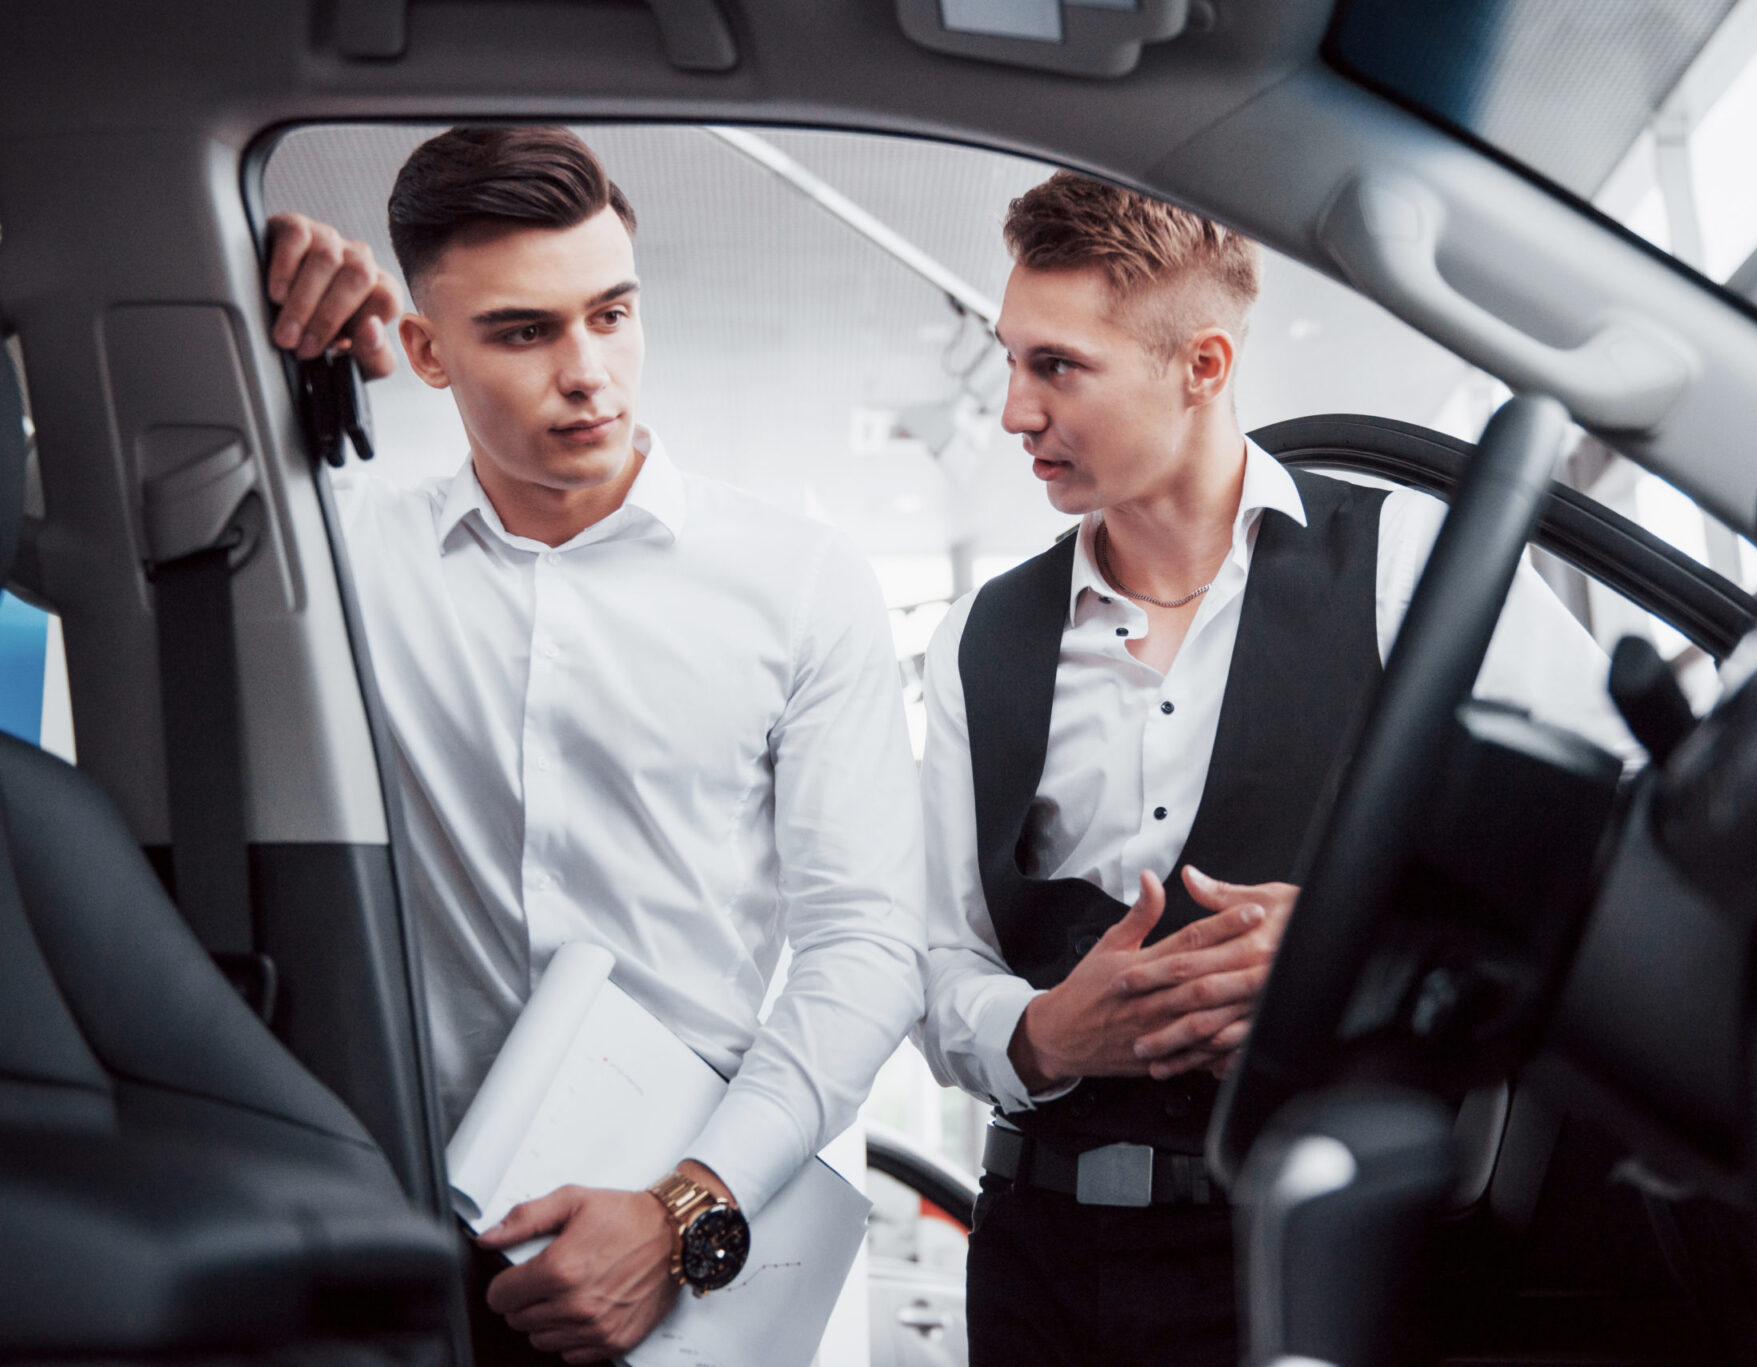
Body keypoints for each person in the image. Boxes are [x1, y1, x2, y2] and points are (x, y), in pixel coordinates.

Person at [915, 172, 1638, 1366]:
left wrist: (1354, 940)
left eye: (1057, 367)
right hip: (1040, 1268)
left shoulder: (1407, 563)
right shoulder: (978, 636)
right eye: (1009, 359)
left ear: (1201, 365)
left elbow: (1603, 837)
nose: (1010, 411)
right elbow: (938, 958)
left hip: (1327, 1248)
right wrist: (1043, 1033)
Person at [263, 126, 924, 1364]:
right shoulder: (341, 565)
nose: (590, 373)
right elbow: (60, 524)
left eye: (612, 314)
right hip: (387, 1234)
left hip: (680, 1244)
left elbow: (866, 945)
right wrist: (217, 330)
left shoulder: (798, 581)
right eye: (524, 331)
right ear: (424, 351)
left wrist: (684, 1207)